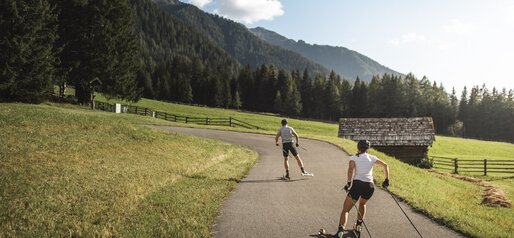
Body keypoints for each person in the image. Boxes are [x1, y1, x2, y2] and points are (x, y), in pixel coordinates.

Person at [335, 140, 389, 238]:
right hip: (369, 186)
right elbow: (385, 165)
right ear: (367, 149)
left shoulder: (354, 158)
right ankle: (358, 227)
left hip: (357, 185)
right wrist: (386, 180)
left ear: (358, 147)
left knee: (346, 209)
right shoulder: (372, 158)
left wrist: (348, 183)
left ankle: (340, 231)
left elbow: (351, 170)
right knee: (362, 204)